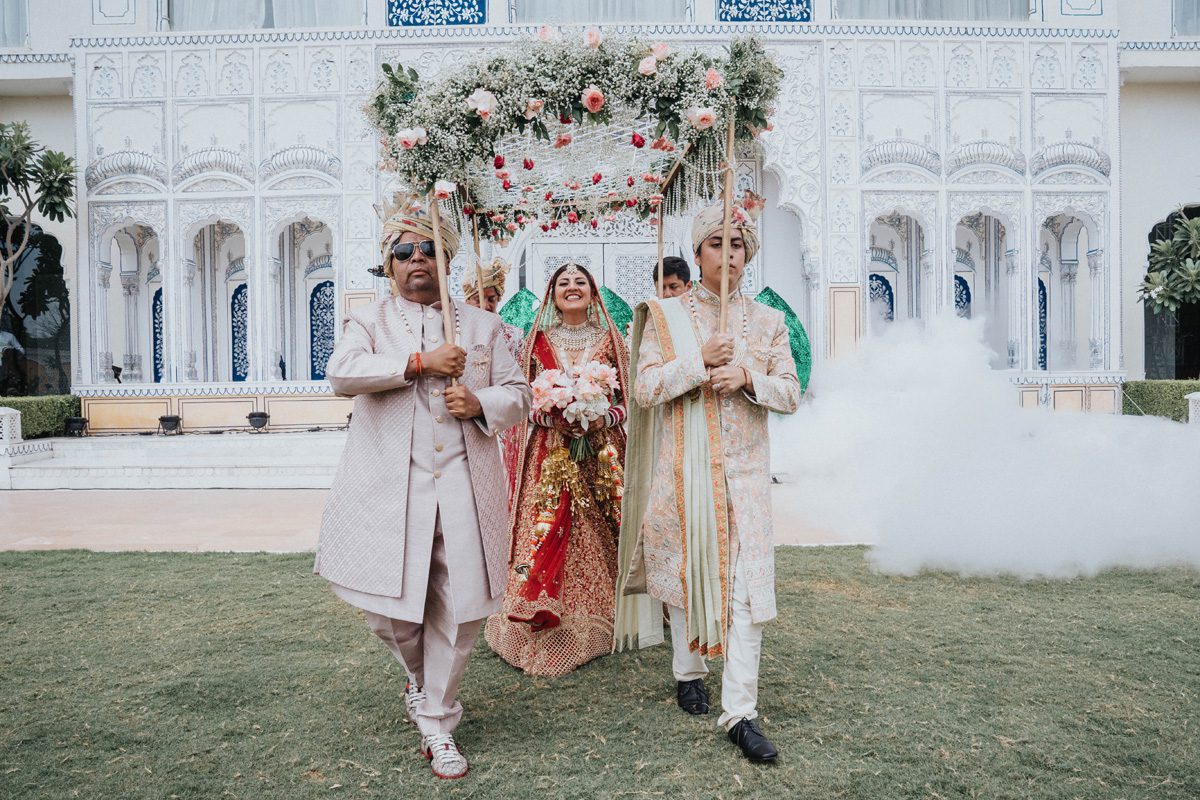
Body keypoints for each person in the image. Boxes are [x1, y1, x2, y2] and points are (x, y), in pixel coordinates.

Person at [314, 196, 531, 780]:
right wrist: (417, 363)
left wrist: (479, 402)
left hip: (464, 484)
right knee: (390, 617)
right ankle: (419, 677)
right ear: (389, 265)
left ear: (447, 261)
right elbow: (341, 373)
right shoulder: (369, 321)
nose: (417, 260)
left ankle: (438, 721)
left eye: (429, 250)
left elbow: (520, 393)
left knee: (460, 610)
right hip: (390, 487)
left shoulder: (484, 325)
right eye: (404, 252)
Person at [616, 198, 801, 763]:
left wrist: (747, 375)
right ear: (697, 253)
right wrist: (698, 360)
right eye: (717, 243)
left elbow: (791, 392)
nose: (729, 254)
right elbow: (643, 389)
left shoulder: (769, 322)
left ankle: (739, 711)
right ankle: (687, 671)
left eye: (738, 244)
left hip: (743, 476)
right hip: (682, 471)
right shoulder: (664, 317)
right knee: (685, 577)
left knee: (746, 591)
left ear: (749, 255)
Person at [485, 262, 629, 676]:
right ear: (551, 293)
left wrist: (603, 418)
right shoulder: (537, 342)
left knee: (598, 529)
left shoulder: (610, 340)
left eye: (580, 282)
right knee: (546, 525)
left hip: (601, 455)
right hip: (549, 453)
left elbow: (628, 399)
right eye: (563, 283)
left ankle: (598, 618)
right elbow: (523, 400)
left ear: (592, 292)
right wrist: (554, 415)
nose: (572, 288)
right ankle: (541, 614)